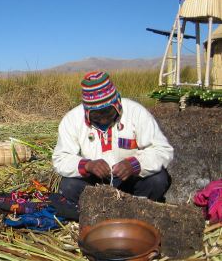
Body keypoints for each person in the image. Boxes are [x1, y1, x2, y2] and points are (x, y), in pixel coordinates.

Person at [52, 71, 173, 204]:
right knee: (69, 186)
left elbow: (162, 151)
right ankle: (97, 212)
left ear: (117, 104)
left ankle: (136, 210)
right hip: (95, 183)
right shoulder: (72, 120)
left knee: (158, 180)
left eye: (108, 113)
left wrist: (134, 164)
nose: (103, 120)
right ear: (87, 111)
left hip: (130, 179)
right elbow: (61, 158)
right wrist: (87, 165)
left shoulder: (136, 112)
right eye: (96, 116)